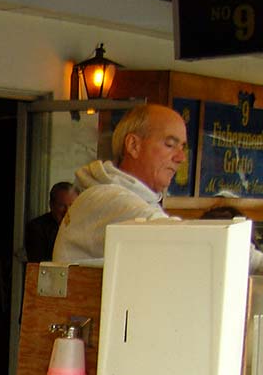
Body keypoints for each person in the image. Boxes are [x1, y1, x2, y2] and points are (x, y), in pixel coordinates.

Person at [53, 102, 263, 272]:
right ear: (134, 145)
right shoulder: (106, 198)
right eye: (170, 145)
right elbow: (192, 243)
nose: (181, 158)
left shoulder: (123, 197)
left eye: (182, 147)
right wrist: (254, 261)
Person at [24, 181, 76, 263]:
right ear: (51, 205)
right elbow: (39, 263)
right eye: (62, 206)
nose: (67, 211)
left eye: (72, 205)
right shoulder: (36, 228)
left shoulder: (82, 227)